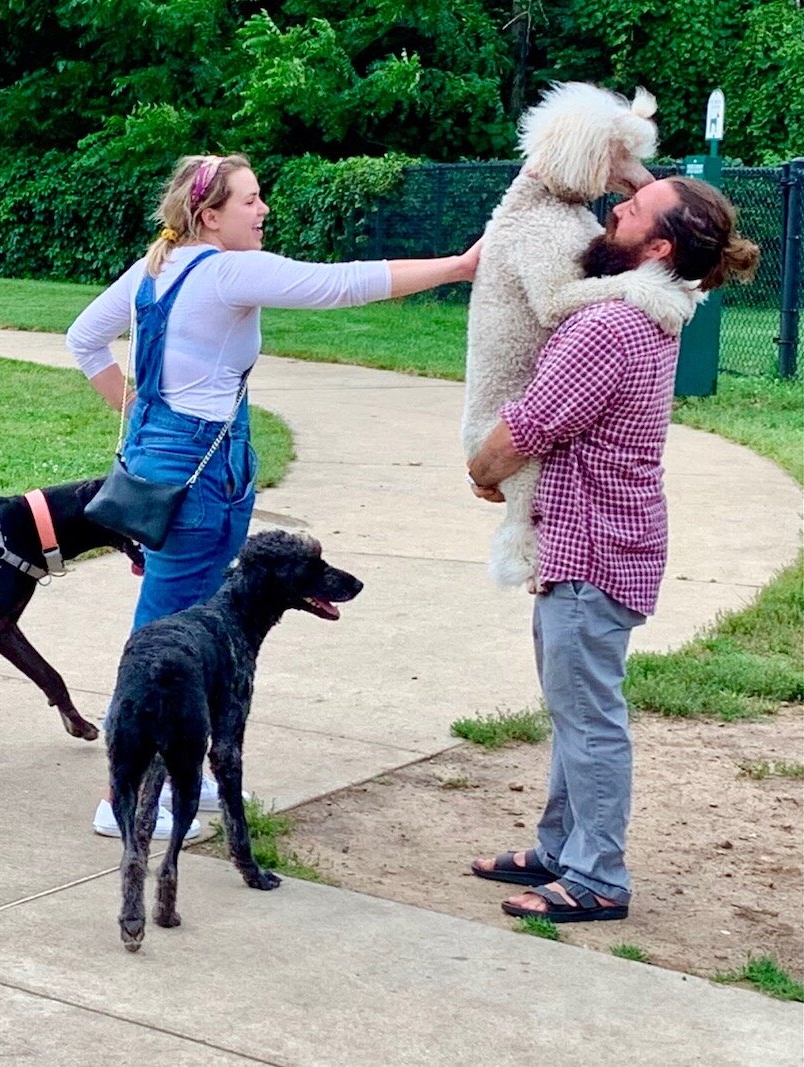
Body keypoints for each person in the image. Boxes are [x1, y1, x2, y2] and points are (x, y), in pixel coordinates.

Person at [67, 153, 480, 838]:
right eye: (250, 201)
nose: (263, 212)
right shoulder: (226, 269)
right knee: (165, 636)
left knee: (190, 627)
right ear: (209, 215)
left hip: (180, 462)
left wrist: (145, 416)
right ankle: (124, 800)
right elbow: (338, 285)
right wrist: (456, 267)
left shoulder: (157, 266)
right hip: (203, 472)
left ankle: (180, 781)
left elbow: (85, 340)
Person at [467, 176, 760, 921]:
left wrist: (481, 469)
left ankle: (597, 876)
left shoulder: (606, 327)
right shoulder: (648, 307)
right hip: (600, 543)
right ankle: (561, 847)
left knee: (589, 715)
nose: (613, 209)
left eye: (629, 209)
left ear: (657, 247)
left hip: (591, 549)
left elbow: (531, 423)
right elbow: (652, 222)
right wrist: (632, 177)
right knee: (574, 708)